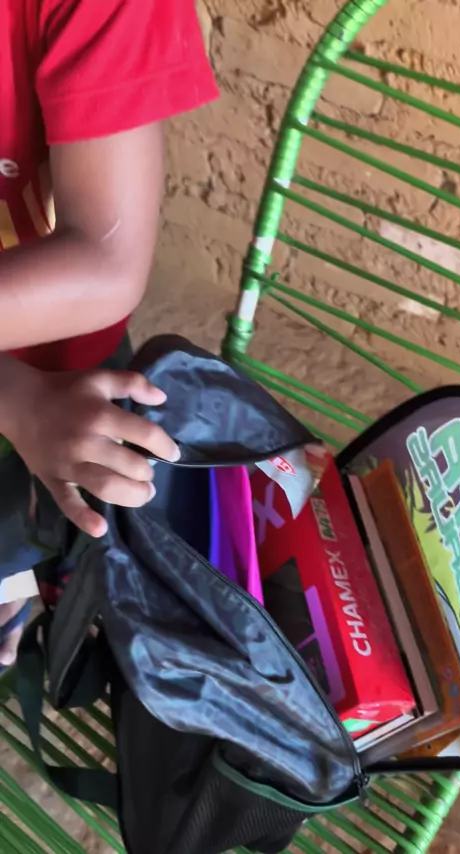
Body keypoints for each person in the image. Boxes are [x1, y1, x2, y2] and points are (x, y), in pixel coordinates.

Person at [0, 0, 218, 667]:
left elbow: (105, 258)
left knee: (44, 520)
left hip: (51, 383)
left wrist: (17, 400)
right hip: (24, 398)